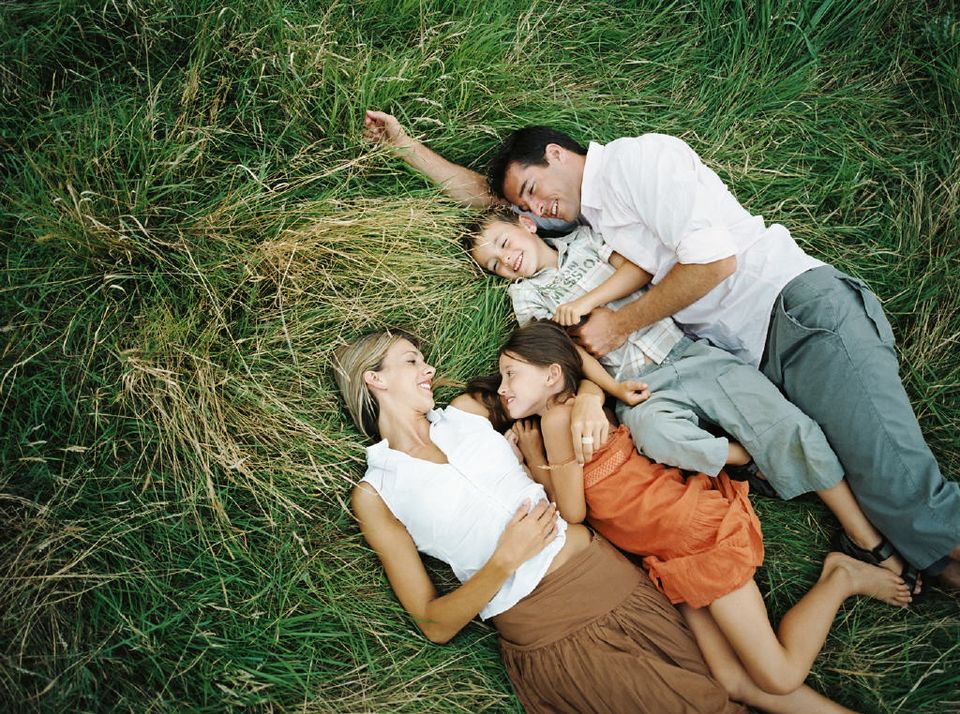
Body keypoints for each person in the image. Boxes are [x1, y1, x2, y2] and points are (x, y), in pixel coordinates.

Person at [362, 109, 960, 587]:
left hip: (793, 314)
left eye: (535, 191)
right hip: (748, 354)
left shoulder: (637, 163)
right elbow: (494, 211)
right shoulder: (575, 221)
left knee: (898, 484)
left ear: (557, 155)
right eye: (527, 209)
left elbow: (713, 262)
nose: (535, 210)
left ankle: (904, 550)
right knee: (865, 472)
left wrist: (614, 325)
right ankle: (892, 546)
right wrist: (405, 146)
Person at [457, 320, 912, 705]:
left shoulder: (559, 420)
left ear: (553, 375)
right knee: (729, 682)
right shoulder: (576, 409)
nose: (503, 387)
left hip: (688, 536)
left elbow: (572, 512)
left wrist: (532, 461)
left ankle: (841, 577)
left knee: (779, 676)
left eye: (510, 374)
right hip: (669, 556)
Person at [463, 209, 919, 587]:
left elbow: (638, 269)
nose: (508, 261)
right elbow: (567, 356)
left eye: (504, 244)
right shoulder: (526, 300)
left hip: (687, 352)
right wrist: (614, 389)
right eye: (496, 265)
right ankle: (743, 458)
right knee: (656, 434)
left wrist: (588, 303)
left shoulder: (584, 239)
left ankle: (865, 540)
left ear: (525, 224)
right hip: (638, 385)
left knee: (788, 424)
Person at [332, 328, 750, 713]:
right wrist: (504, 562)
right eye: (412, 361)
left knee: (726, 688)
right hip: (556, 631)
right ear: (376, 379)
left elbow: (554, 369)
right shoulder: (376, 494)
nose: (429, 369)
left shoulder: (467, 413)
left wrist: (590, 395)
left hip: (620, 583)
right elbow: (433, 623)